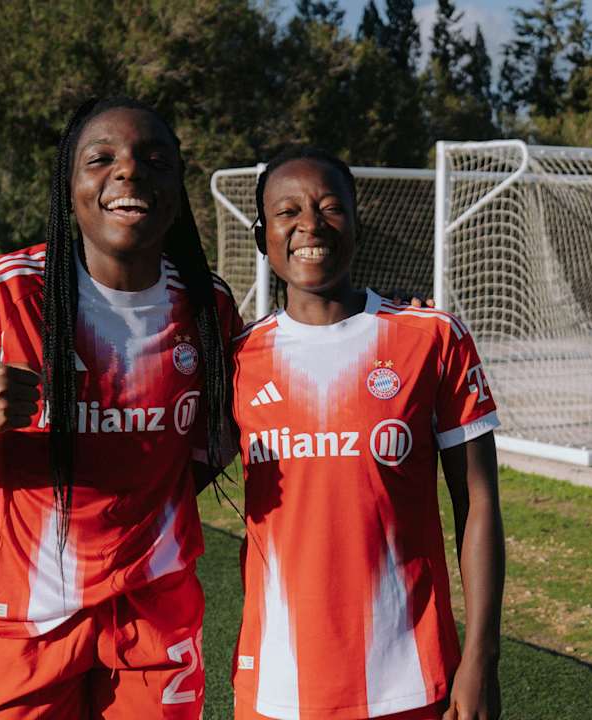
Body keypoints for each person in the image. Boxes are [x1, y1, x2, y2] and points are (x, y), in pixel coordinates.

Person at [0, 96, 241, 720]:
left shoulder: (209, 307)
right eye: (101, 159)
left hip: (156, 615)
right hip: (28, 618)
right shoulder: (8, 289)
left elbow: (205, 450)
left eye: (154, 159)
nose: (128, 172)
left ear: (176, 190)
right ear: (69, 186)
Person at [229, 147, 505, 720]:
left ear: (356, 225)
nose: (310, 225)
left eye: (330, 207)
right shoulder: (237, 358)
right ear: (262, 236)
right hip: (277, 681)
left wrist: (481, 657)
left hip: (410, 676)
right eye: (288, 212)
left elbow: (477, 503)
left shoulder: (432, 338)